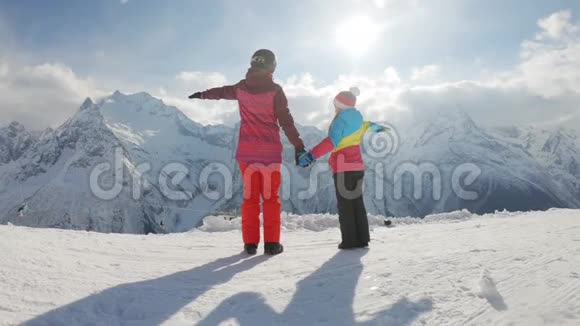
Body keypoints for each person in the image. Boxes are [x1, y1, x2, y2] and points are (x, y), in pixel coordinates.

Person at [188, 49, 306, 256]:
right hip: (270, 155)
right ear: (272, 66)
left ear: (253, 64)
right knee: (271, 198)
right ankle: (271, 244)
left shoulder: (241, 88)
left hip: (247, 154)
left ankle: (250, 244)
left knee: (250, 198)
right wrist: (298, 146)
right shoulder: (275, 90)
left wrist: (202, 94)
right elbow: (286, 121)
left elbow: (222, 92)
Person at [298, 87, 388, 249]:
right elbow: (368, 125)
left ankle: (350, 240)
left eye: (336, 104)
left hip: (343, 168)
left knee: (345, 204)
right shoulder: (358, 120)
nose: (334, 107)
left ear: (340, 105)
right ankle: (362, 238)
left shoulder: (340, 120)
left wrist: (311, 156)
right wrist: (378, 128)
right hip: (357, 167)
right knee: (357, 202)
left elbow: (331, 142)